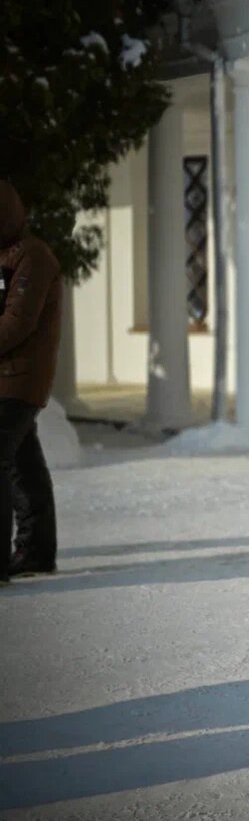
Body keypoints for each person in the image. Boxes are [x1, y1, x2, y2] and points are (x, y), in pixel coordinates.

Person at [0, 181, 61, 584]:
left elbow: (17, 323)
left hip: (20, 379)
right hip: (7, 379)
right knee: (23, 464)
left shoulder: (32, 256)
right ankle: (37, 550)